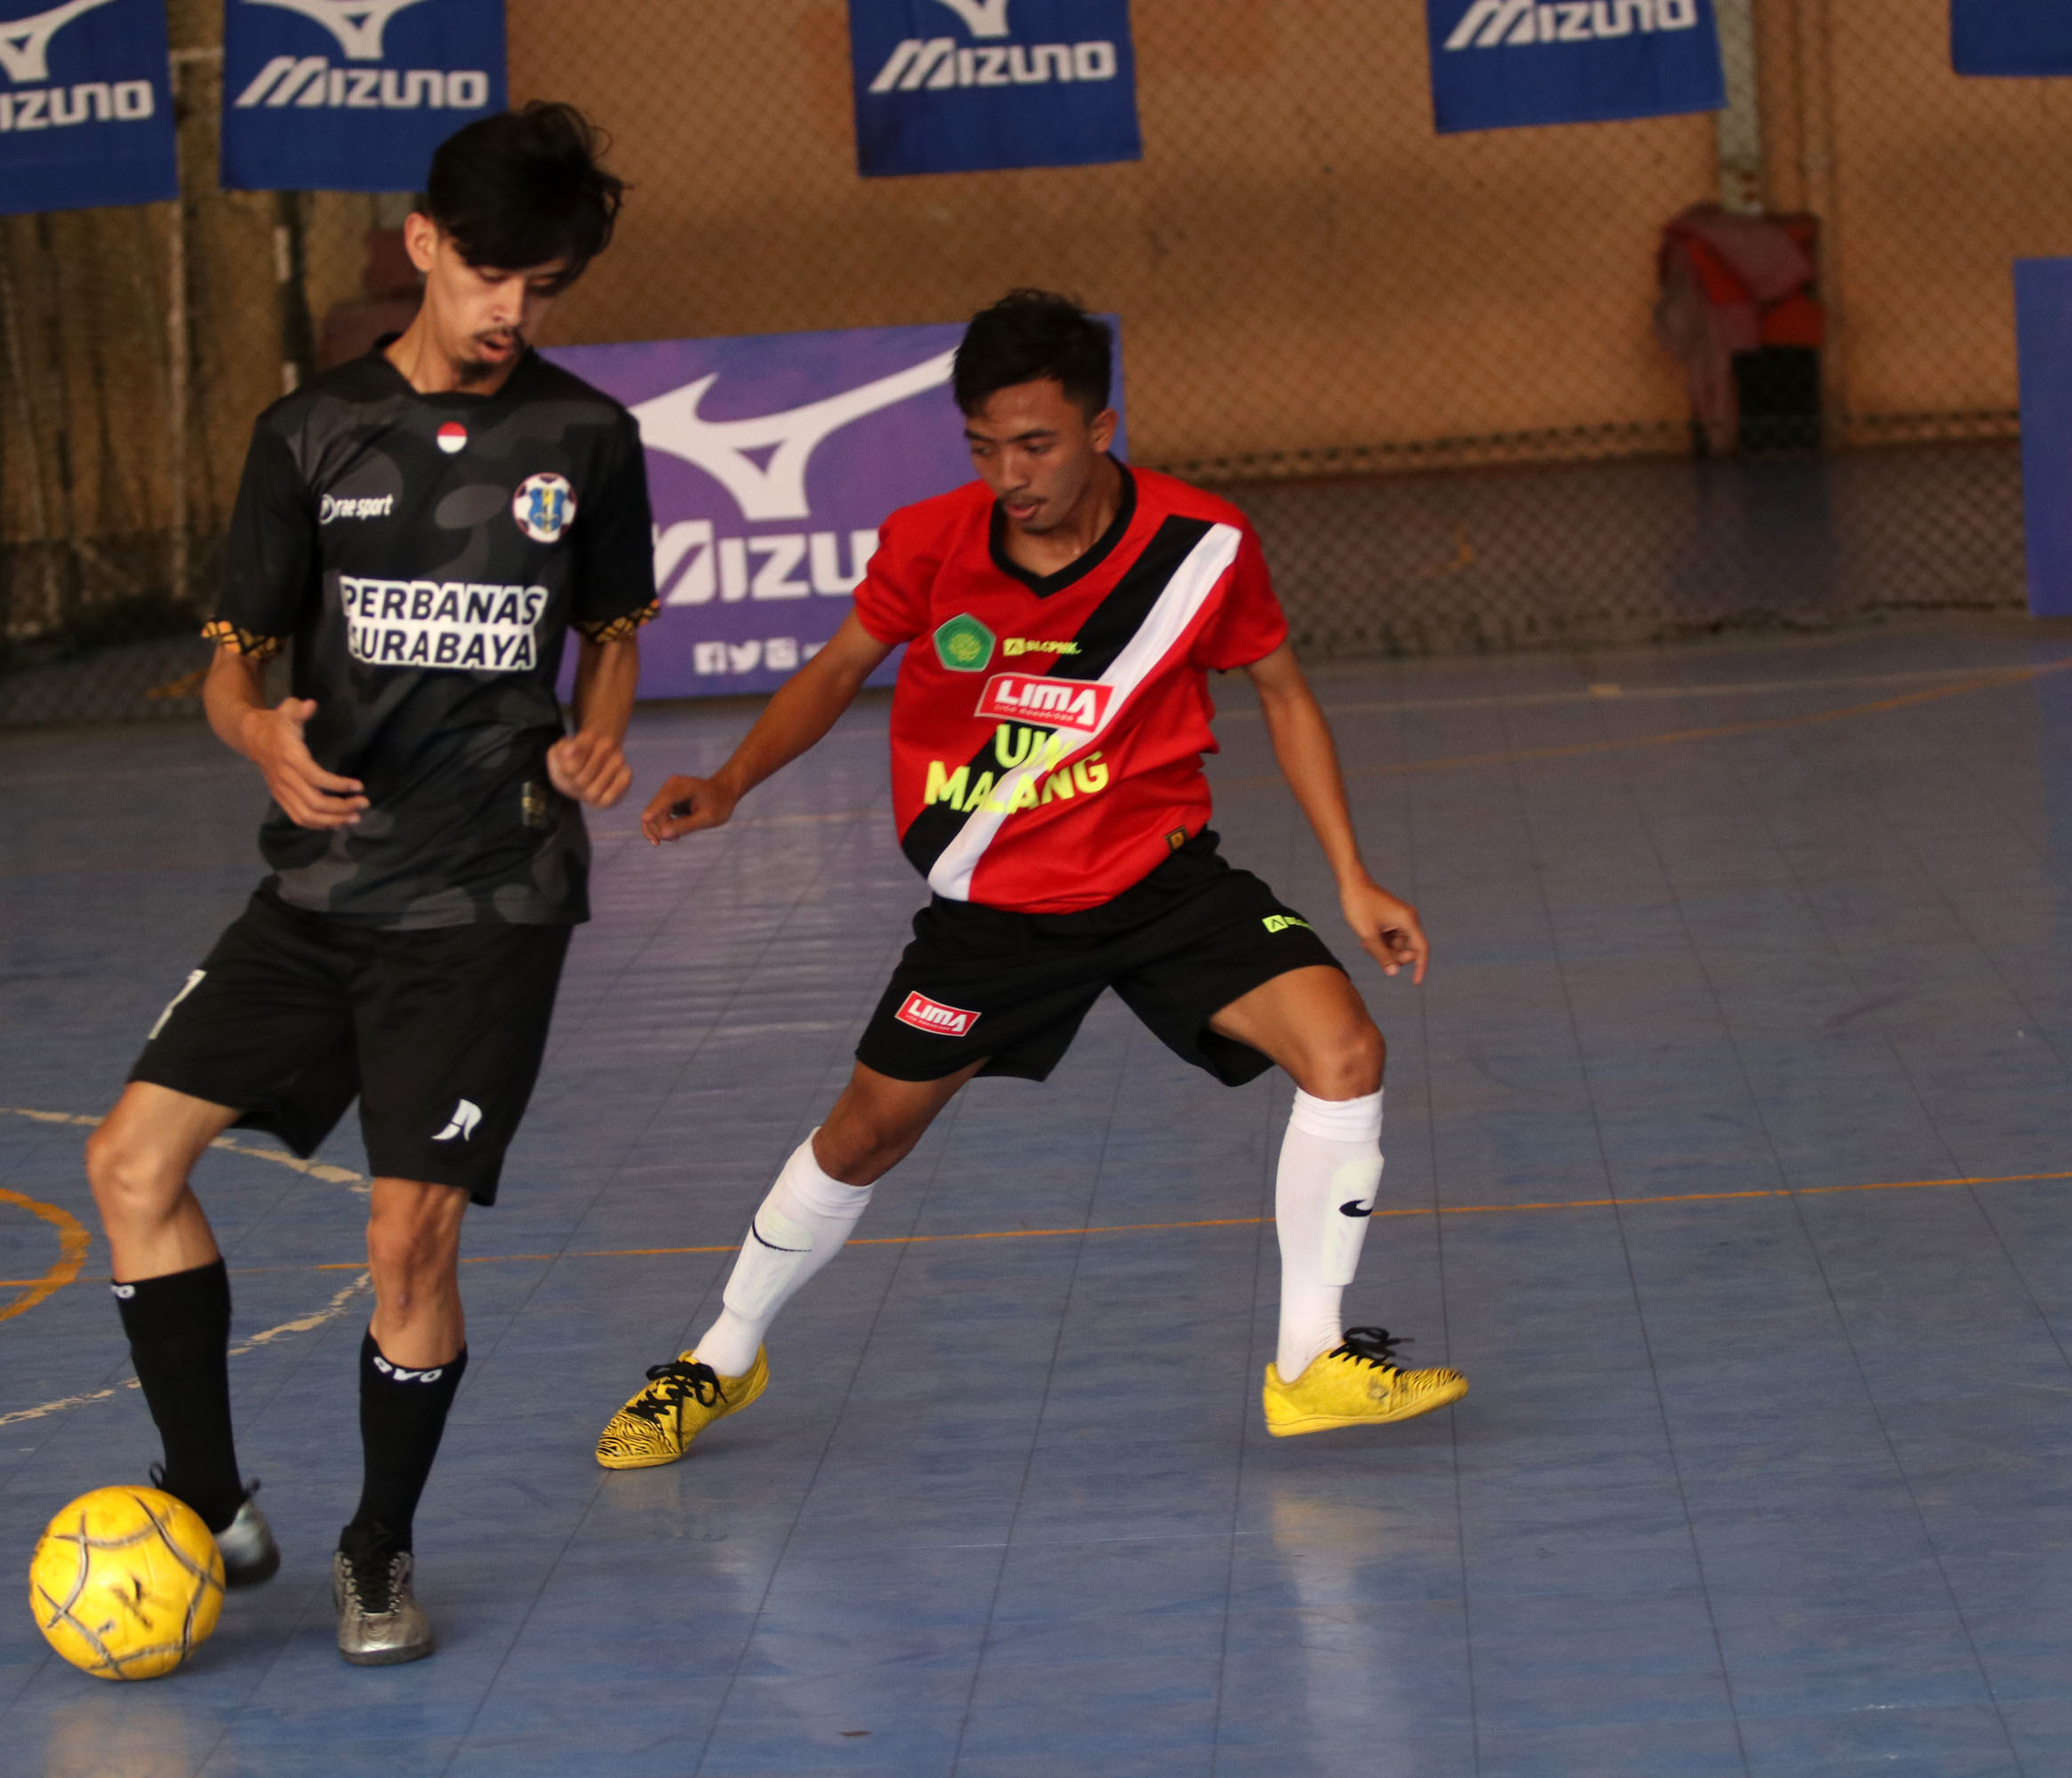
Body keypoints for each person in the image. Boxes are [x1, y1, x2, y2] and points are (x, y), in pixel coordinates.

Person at [594, 291, 1468, 1472]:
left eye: (1037, 444)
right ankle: (720, 1355)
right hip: (992, 916)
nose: (1011, 473)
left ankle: (1310, 1362)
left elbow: (1284, 693)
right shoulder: (929, 544)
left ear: (1101, 426)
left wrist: (1353, 879)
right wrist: (735, 780)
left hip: (1161, 884)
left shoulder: (1200, 546)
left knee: (1346, 1050)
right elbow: (840, 664)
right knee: (862, 1138)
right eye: (985, 448)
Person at [80, 104, 651, 1668]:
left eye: (541, 289)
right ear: (422, 247)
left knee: (409, 1246)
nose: (509, 317)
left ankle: (379, 1547)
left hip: (488, 907)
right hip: (321, 892)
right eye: (488, 278)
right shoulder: (308, 433)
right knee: (131, 1166)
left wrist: (599, 738)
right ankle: (207, 1496)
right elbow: (231, 672)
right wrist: (261, 737)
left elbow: (613, 631)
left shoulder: (587, 440)